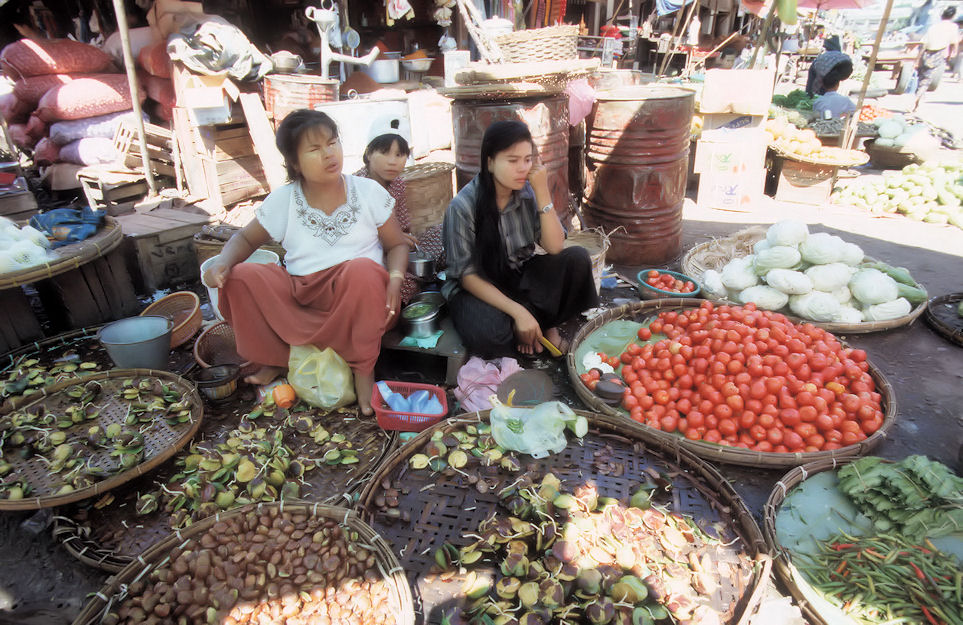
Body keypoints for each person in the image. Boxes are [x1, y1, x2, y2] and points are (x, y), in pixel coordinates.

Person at [202, 109, 409, 415]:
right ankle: (278, 359)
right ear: (295, 163)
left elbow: (397, 244)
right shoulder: (284, 200)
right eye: (314, 149)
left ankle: (363, 370)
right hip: (303, 304)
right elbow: (244, 240)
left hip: (361, 304)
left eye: (332, 142)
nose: (329, 154)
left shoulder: (368, 192)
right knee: (241, 275)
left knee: (363, 271)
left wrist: (394, 279)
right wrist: (223, 262)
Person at [442, 120, 599, 359]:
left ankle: (538, 328)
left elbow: (555, 246)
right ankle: (531, 326)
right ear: (490, 163)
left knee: (577, 259)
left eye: (527, 159)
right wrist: (519, 313)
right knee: (490, 333)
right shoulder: (462, 207)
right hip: (478, 288)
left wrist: (543, 193)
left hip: (518, 275)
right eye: (512, 160)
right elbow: (467, 276)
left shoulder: (528, 193)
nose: (523, 168)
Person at [354, 123, 444, 305]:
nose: (392, 161)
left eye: (399, 154)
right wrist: (394, 239)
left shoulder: (397, 185)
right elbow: (355, 237)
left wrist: (405, 238)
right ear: (369, 154)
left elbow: (403, 227)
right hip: (368, 256)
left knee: (442, 232)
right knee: (404, 282)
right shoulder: (356, 187)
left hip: (396, 249)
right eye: (385, 153)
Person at [915, 6, 959, 110]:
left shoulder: (934, 27)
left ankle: (919, 97)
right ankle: (917, 101)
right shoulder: (953, 27)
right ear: (953, 16)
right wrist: (952, 54)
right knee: (926, 79)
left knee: (922, 76)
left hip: (926, 53)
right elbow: (954, 42)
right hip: (938, 53)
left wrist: (918, 59)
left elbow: (923, 44)